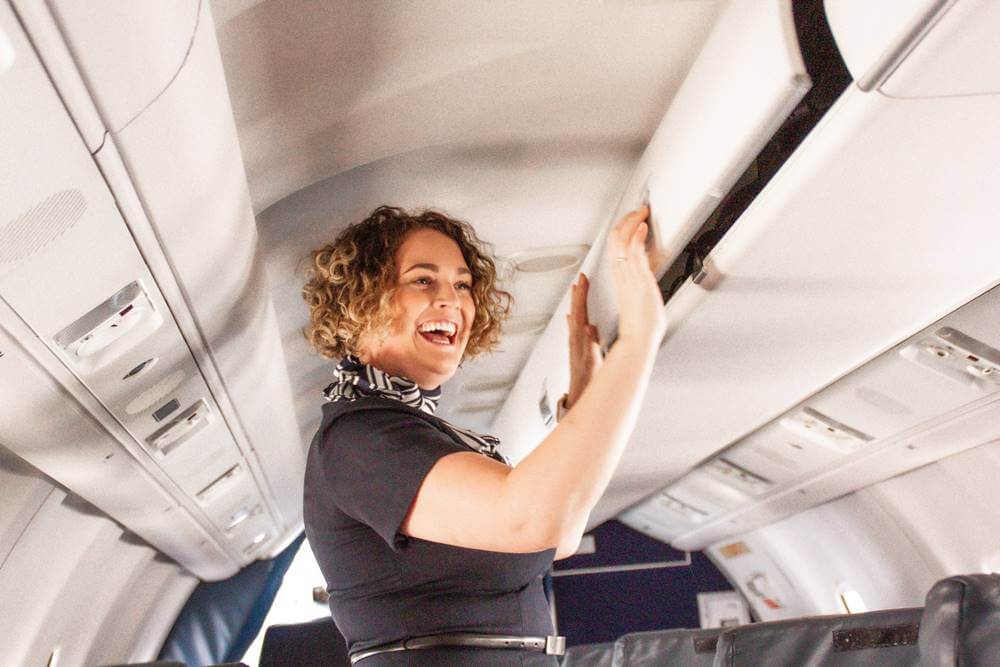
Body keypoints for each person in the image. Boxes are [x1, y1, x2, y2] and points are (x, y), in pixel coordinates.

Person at [300, 204, 666, 665]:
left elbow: (560, 531)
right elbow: (528, 519)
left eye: (462, 285)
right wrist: (638, 339)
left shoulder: (421, 432)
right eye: (423, 280)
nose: (451, 300)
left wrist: (587, 394)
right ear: (361, 300)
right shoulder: (360, 439)